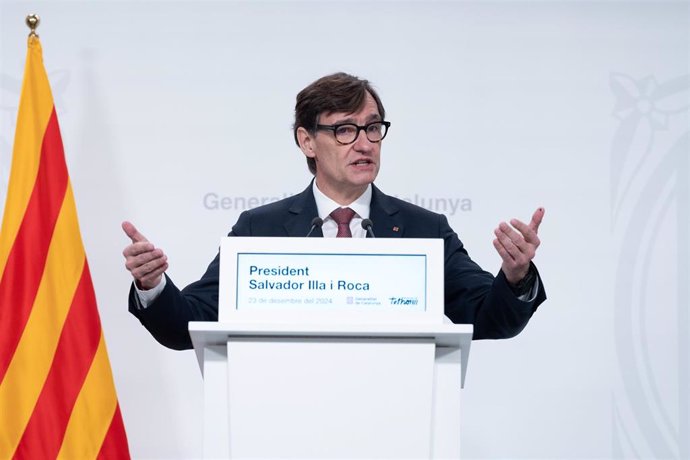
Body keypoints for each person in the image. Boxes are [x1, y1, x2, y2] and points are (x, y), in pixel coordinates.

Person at [123, 72, 546, 350]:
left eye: (373, 127)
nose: (365, 143)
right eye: (345, 129)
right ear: (307, 142)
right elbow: (190, 325)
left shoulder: (423, 229)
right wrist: (153, 285)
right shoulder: (261, 228)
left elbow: (489, 317)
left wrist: (515, 277)